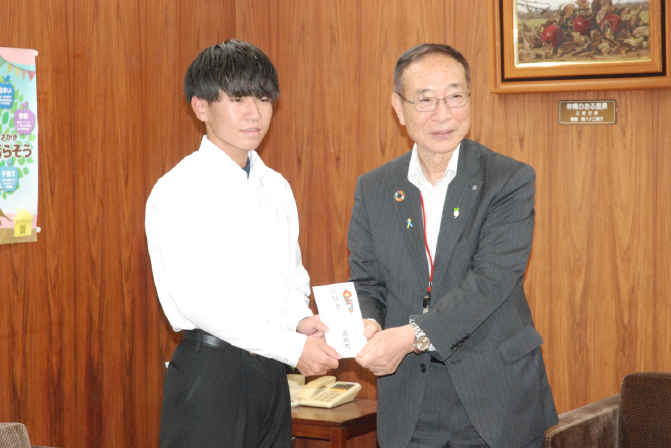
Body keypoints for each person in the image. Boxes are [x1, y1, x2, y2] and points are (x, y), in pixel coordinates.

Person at [347, 43, 558, 448]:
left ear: (470, 98)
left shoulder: (508, 179)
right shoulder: (374, 187)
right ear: (399, 106)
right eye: (425, 100)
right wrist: (369, 323)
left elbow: (491, 281)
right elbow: (367, 281)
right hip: (410, 399)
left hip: (496, 396)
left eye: (455, 96)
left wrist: (409, 336)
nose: (443, 114)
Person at [145, 40, 341, 448]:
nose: (255, 112)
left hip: (270, 372)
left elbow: (290, 280)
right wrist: (292, 345)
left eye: (264, 98)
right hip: (211, 376)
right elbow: (200, 301)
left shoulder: (276, 185)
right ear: (201, 107)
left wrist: (301, 321)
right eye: (237, 98)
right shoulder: (180, 189)